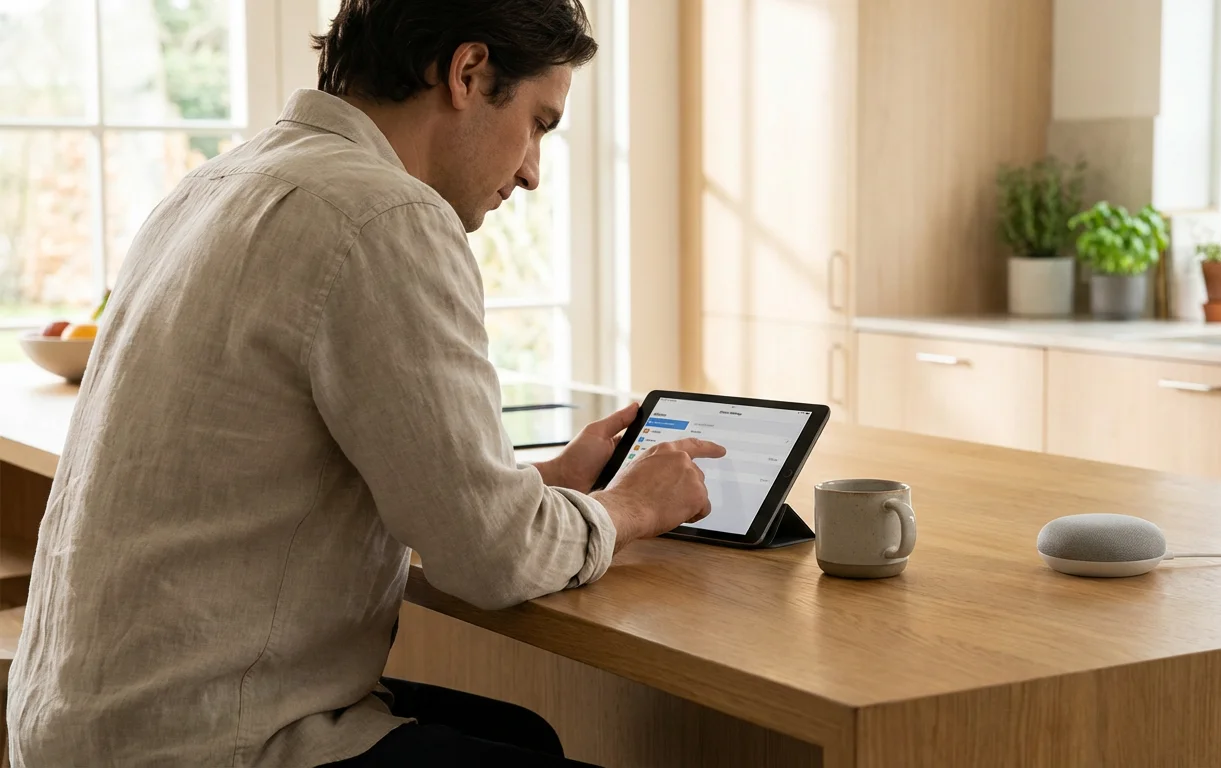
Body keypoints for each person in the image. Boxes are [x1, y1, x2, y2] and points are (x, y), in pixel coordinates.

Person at [6, 0, 724, 766]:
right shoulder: (385, 214)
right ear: (468, 72)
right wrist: (627, 508)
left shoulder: (211, 186)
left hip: (75, 732)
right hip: (214, 745)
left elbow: (370, 480)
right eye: (539, 123)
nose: (532, 172)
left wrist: (543, 481)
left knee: (525, 739)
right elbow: (490, 559)